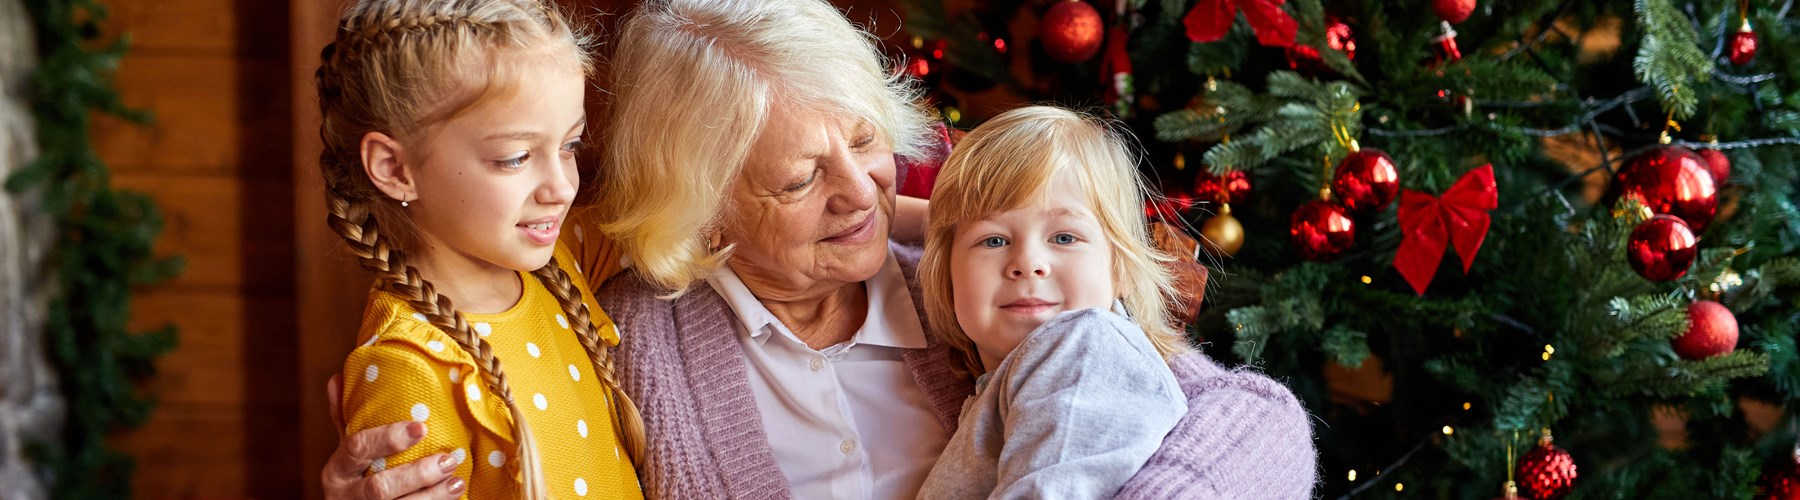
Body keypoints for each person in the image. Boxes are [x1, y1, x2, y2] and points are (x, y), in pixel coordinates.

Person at [320, 0, 1319, 498]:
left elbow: (1259, 426)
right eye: (800, 178)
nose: (861, 193)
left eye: (866, 140)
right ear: (703, 208)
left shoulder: (982, 279)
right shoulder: (628, 334)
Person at [313, 0, 643, 498]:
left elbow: (671, 218)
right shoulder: (410, 365)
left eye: (570, 146)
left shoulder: (562, 255)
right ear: (395, 168)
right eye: (514, 158)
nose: (561, 187)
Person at [914, 106, 1190, 498]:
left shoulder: (1086, 348)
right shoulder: (1008, 382)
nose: (1027, 264)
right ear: (946, 277)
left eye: (1064, 238)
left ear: (1121, 268)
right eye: (994, 240)